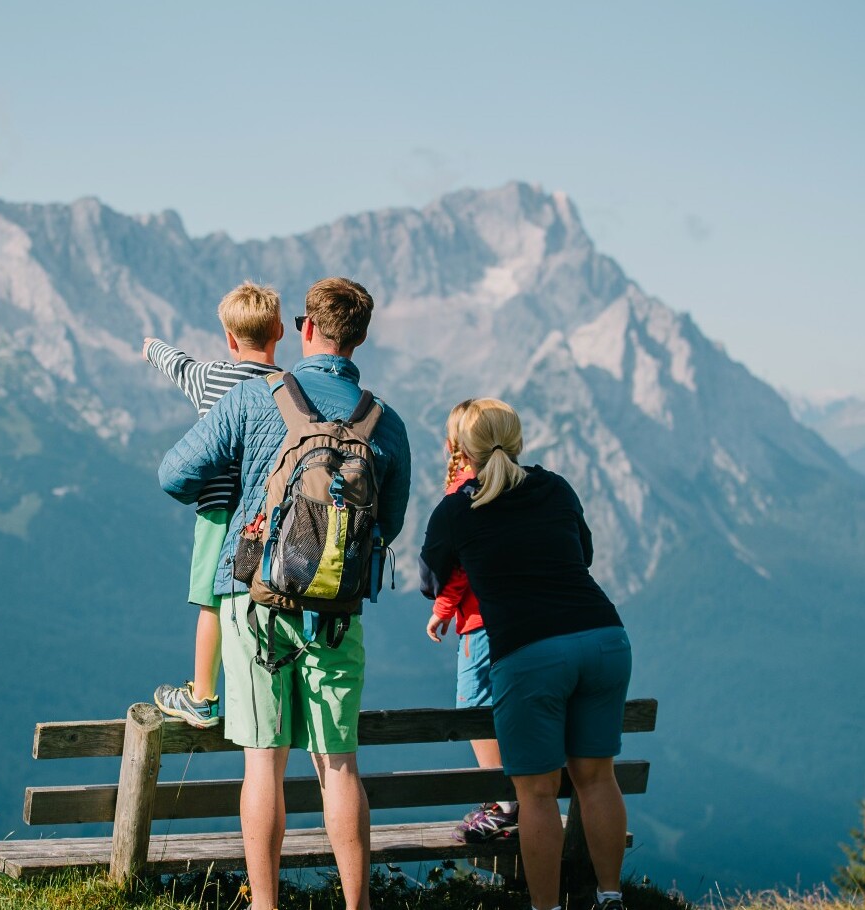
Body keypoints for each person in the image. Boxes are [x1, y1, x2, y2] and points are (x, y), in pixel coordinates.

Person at [160, 277, 411, 910]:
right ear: (358, 338)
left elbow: (173, 474)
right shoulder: (386, 423)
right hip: (337, 611)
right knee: (339, 765)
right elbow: (390, 524)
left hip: (255, 601)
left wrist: (232, 494)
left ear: (306, 329)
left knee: (263, 763)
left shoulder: (255, 398)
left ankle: (266, 905)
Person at [419, 399, 633, 910]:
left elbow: (430, 581)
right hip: (604, 638)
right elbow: (583, 554)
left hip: (531, 652)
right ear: (517, 440)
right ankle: (610, 898)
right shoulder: (556, 486)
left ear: (459, 449)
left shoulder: (457, 509)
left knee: (536, 793)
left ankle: (546, 907)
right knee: (597, 778)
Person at [143, 281, 284, 728]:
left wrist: (150, 347)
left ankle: (202, 696)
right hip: (266, 515)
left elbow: (177, 363)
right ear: (279, 331)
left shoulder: (210, 379)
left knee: (211, 599)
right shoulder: (289, 390)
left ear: (228, 338)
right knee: (264, 594)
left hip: (217, 511)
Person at [423, 399, 518, 842]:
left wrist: (442, 609)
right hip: (518, 618)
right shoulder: (512, 486)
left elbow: (460, 566)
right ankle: (512, 791)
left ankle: (502, 800)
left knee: (473, 703)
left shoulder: (463, 493)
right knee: (508, 702)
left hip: (479, 621)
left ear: (453, 445)